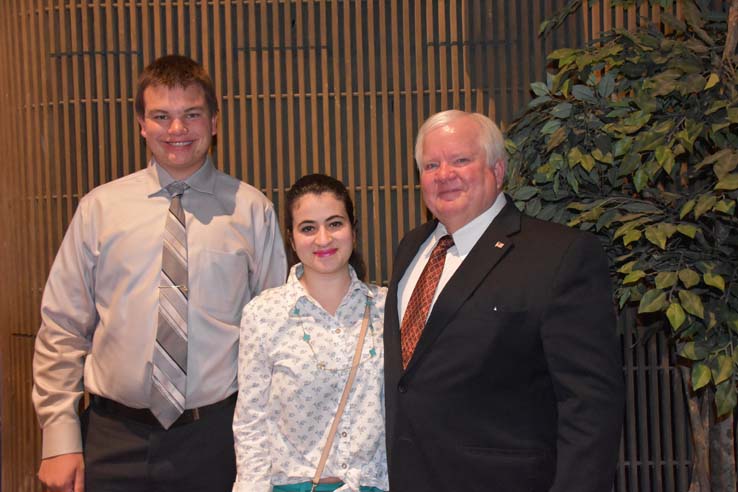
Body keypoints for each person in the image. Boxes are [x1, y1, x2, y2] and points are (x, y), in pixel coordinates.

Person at [32, 54, 287, 492]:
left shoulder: (252, 211)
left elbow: (276, 337)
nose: (176, 130)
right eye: (161, 116)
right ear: (141, 124)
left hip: (218, 442)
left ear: (214, 122)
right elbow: (63, 326)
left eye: (191, 114)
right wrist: (59, 437)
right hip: (112, 441)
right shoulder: (100, 209)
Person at [383, 110, 624, 492]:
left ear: (498, 169)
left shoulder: (559, 255)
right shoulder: (410, 248)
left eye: (461, 160)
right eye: (431, 164)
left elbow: (590, 407)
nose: (444, 174)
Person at [232, 174, 388, 492]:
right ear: (291, 238)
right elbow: (251, 422)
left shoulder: (390, 307)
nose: (323, 239)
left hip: (374, 485)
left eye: (334, 224)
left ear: (353, 231)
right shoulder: (264, 314)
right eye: (308, 228)